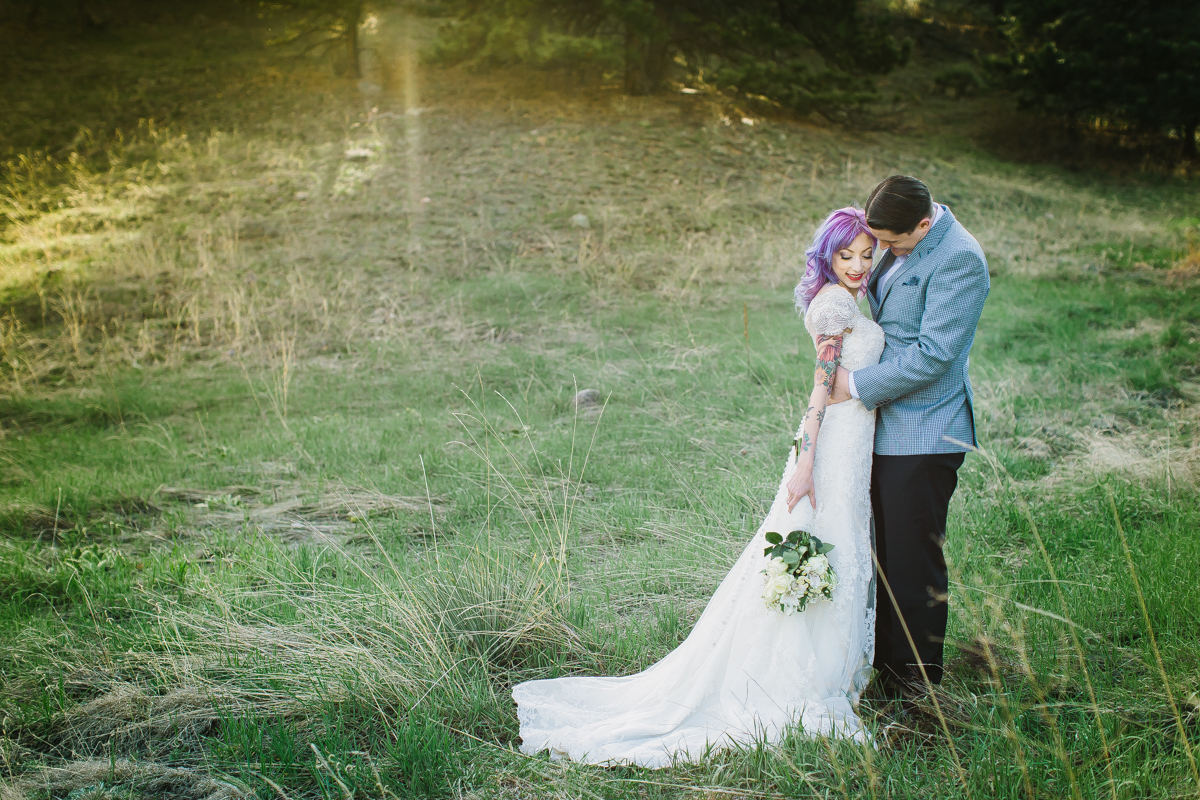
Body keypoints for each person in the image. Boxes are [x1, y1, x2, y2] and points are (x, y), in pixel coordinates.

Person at [512, 207, 885, 767]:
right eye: (845, 255)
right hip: (831, 449)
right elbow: (820, 389)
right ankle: (797, 682)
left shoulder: (850, 300)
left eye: (865, 253)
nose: (858, 265)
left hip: (855, 448)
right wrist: (805, 463)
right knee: (824, 549)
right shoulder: (833, 303)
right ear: (826, 257)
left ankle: (831, 674)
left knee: (842, 551)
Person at [829, 175, 990, 698]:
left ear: (923, 224)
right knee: (881, 553)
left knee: (913, 559)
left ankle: (919, 683)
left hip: (925, 428)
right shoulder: (904, 234)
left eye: (894, 244)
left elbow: (934, 355)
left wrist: (855, 383)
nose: (886, 253)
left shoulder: (959, 260)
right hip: (881, 424)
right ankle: (886, 670)